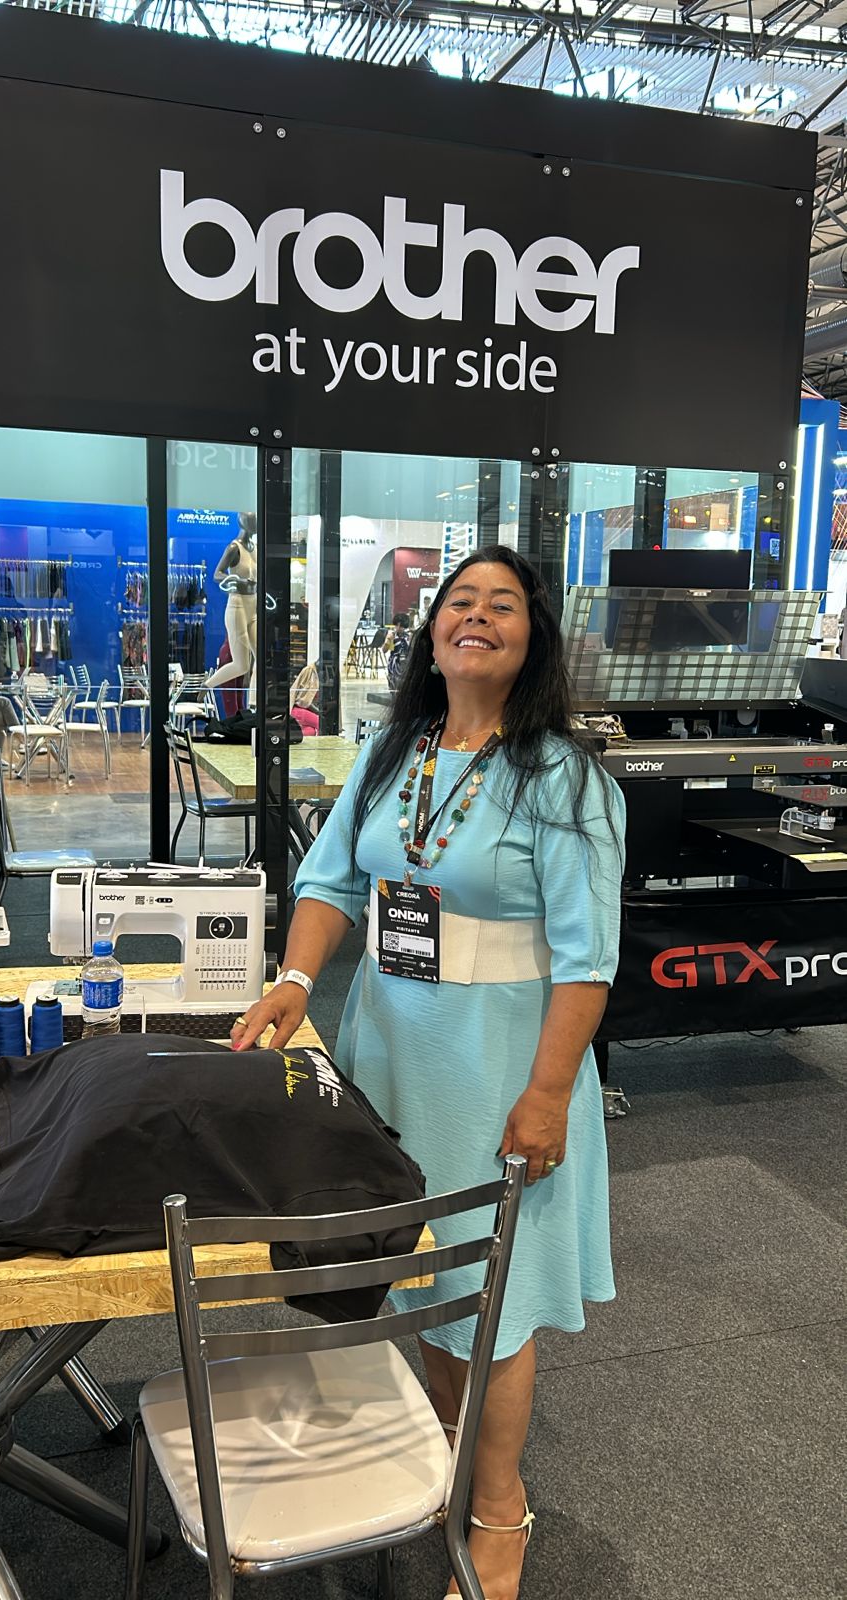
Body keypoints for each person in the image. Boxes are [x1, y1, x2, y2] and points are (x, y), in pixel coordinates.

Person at [233, 545, 624, 1600]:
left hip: (500, 1069)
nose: (477, 615)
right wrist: (295, 980)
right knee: (426, 1277)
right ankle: (453, 1459)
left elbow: (587, 960)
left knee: (491, 1295)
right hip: (392, 1053)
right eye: (460, 600)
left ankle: (500, 1514)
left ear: (533, 639)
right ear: (433, 630)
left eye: (504, 605)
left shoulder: (564, 778)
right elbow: (329, 883)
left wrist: (549, 1095)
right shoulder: (392, 749)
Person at [205, 512, 258, 690]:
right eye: (251, 520)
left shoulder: (256, 548)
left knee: (262, 658)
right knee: (241, 665)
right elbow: (217, 574)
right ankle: (207, 685)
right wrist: (236, 580)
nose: (255, 524)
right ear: (242, 522)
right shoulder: (234, 548)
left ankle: (255, 701)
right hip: (238, 604)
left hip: (253, 604)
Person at [386, 611, 412, 692]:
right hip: (394, 662)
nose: (398, 628)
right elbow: (384, 650)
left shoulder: (408, 636)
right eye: (396, 625)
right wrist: (388, 641)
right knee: (394, 684)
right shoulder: (392, 635)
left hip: (405, 662)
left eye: (401, 626)